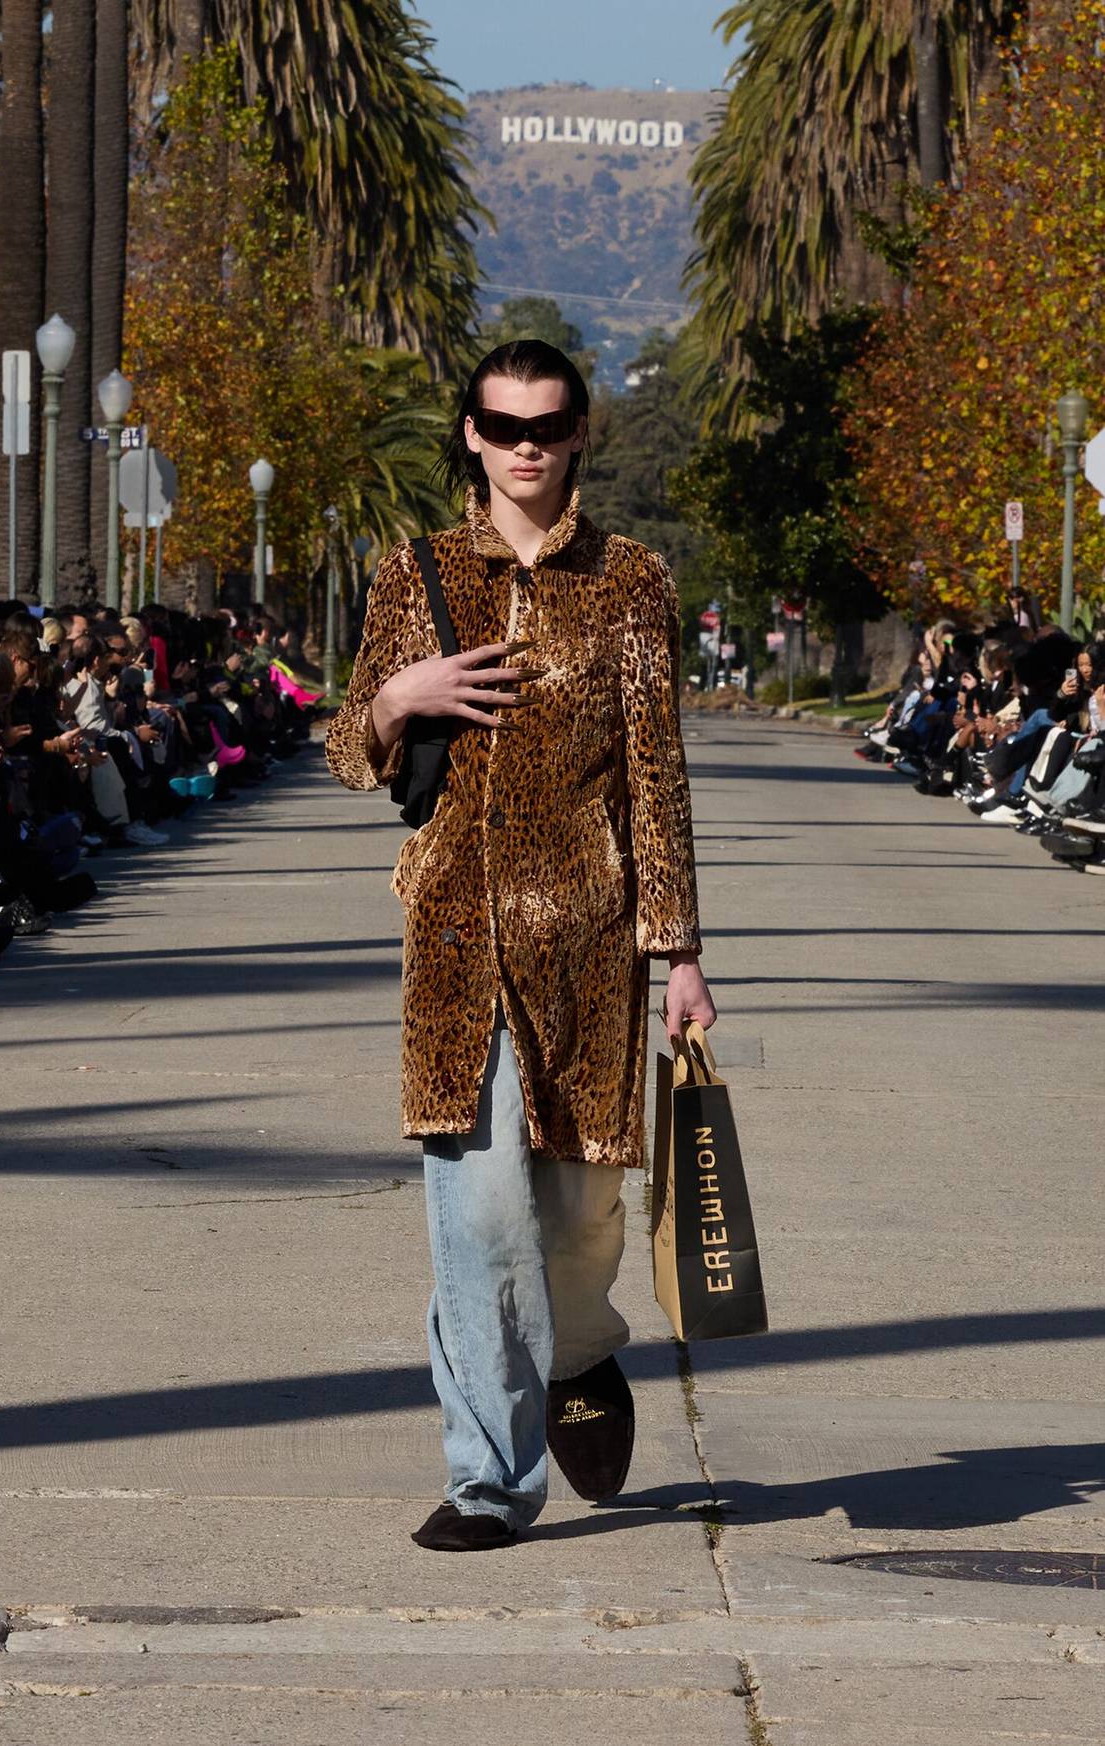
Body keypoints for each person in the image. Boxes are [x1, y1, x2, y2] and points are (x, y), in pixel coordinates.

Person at [326, 340, 715, 1552]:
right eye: (502, 424)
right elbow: (346, 749)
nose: (525, 444)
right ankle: (489, 1479)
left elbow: (656, 774)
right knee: (480, 1217)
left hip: (593, 949)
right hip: (454, 943)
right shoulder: (415, 575)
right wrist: (399, 700)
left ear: (580, 432)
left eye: (547, 424)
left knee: (580, 1218)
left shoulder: (633, 579)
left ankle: (584, 1347)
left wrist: (683, 952)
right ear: (472, 436)